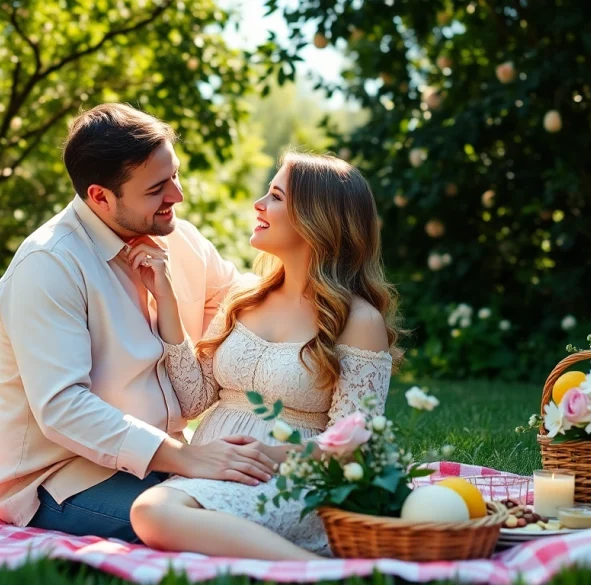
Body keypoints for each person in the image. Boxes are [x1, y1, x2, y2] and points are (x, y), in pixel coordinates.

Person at [0, 103, 279, 540]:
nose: (177, 195)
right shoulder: (48, 265)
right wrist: (188, 459)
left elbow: (242, 302)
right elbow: (64, 409)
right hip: (62, 477)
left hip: (167, 461)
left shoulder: (181, 238)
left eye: (174, 175)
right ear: (100, 196)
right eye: (157, 187)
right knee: (231, 523)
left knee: (290, 498)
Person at [126, 152, 402, 560]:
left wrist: (266, 455)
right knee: (153, 510)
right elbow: (195, 399)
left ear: (316, 217)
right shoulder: (244, 296)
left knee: (151, 511)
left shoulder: (358, 319)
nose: (259, 204)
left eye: (275, 196)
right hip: (214, 471)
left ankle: (315, 571)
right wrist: (163, 298)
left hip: (293, 479)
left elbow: (354, 444)